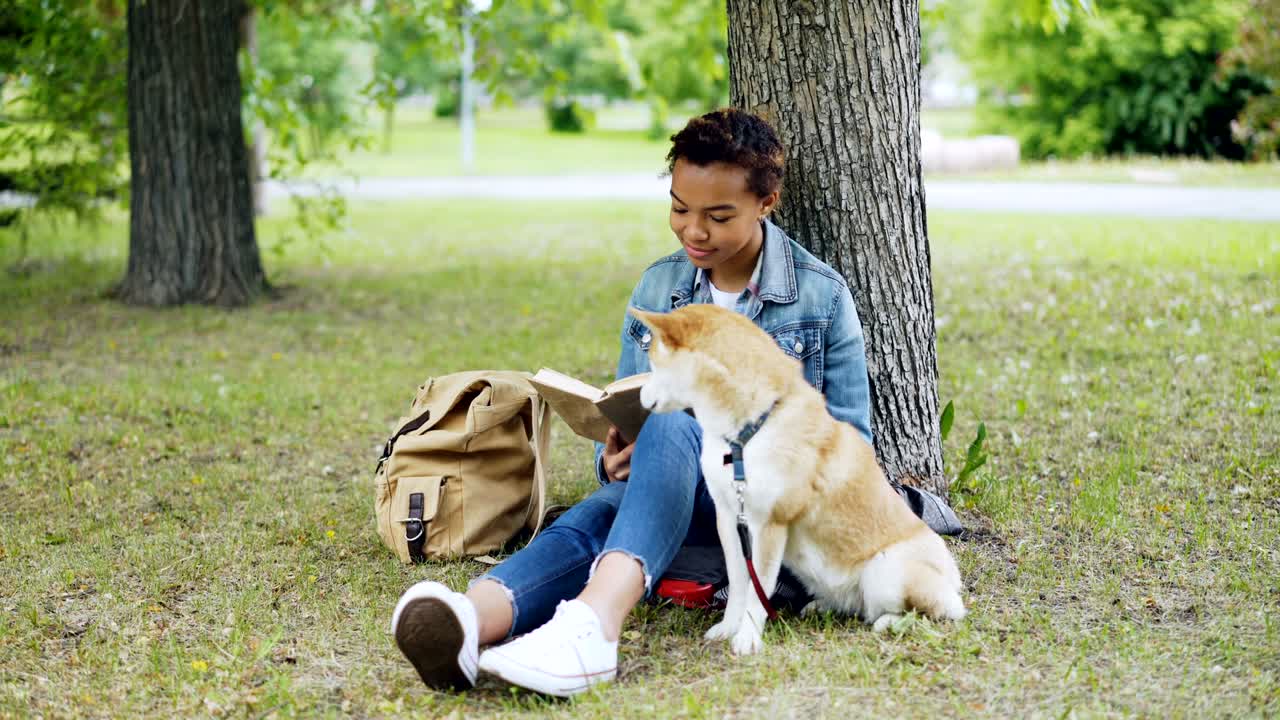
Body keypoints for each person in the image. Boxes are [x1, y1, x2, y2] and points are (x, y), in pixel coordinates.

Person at [389, 108, 873, 697]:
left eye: (719, 216)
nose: (694, 231)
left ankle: (594, 630)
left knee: (675, 431)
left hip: (763, 513)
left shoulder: (820, 297)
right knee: (603, 503)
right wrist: (614, 453)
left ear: (766, 204)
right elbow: (625, 409)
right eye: (679, 208)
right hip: (668, 494)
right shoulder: (658, 287)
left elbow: (851, 447)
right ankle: (469, 620)